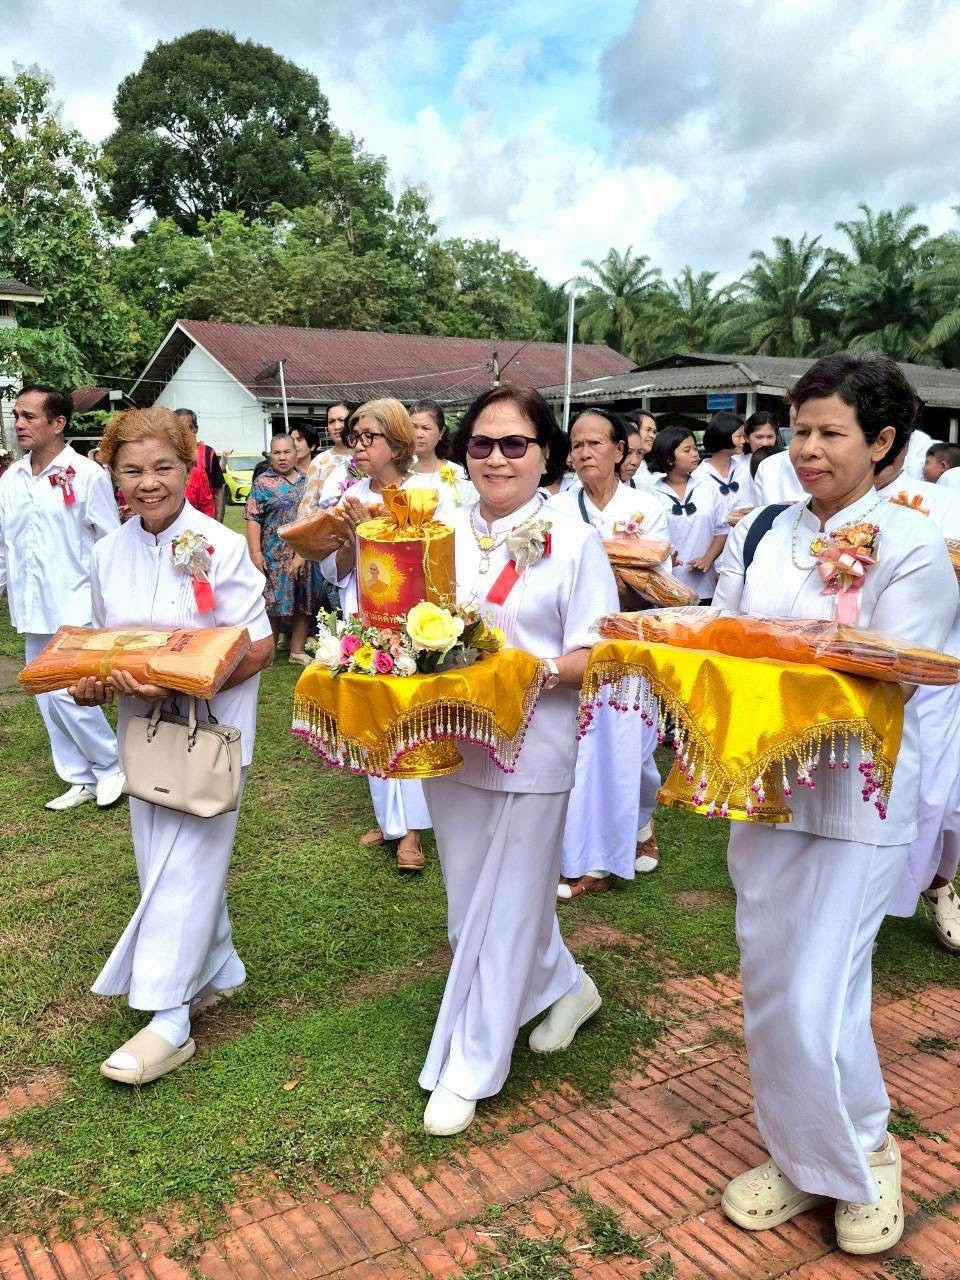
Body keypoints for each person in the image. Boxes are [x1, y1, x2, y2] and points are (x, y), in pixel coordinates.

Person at [713, 352, 955, 1256]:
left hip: (859, 793)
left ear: (883, 442)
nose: (808, 449)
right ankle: (805, 1152)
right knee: (773, 985)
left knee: (820, 990)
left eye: (831, 434)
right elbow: (723, 630)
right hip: (766, 786)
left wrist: (799, 651)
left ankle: (863, 1156)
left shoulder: (911, 542)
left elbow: (905, 669)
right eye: (800, 430)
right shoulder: (764, 529)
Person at [418, 385, 617, 1138]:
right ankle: (567, 986)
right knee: (470, 901)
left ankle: (471, 1063)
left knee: (501, 911)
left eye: (514, 444)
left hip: (535, 744)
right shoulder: (438, 529)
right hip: (451, 739)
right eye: (481, 444)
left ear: (546, 455)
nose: (496, 457)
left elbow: (595, 651)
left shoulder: (574, 537)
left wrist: (524, 672)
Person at [70, 407, 274, 1085]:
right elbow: (106, 647)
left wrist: (185, 682)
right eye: (132, 469)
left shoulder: (221, 544)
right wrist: (97, 685)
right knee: (158, 857)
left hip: (212, 738)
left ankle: (168, 1017)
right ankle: (219, 964)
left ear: (188, 468)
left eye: (162, 467)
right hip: (144, 738)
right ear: (114, 475)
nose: (148, 482)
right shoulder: (106, 553)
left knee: (184, 869)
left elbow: (262, 644)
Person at [547, 408, 668, 897]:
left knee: (634, 752)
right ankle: (590, 857)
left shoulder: (647, 508)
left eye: (595, 443)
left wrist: (608, 580)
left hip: (632, 644)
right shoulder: (556, 510)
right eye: (577, 444)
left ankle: (640, 824)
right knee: (587, 750)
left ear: (621, 451)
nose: (584, 452)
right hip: (578, 644)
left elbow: (656, 589)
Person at [318, 399, 434, 871]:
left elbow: (438, 559)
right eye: (355, 436)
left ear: (399, 441)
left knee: (410, 721)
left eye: (370, 437)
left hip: (417, 621)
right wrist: (349, 538)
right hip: (362, 617)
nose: (359, 446)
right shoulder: (347, 495)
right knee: (373, 719)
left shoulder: (429, 491)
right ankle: (388, 820)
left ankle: (413, 832)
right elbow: (333, 572)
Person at [0, 384, 124, 811]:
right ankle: (79, 776)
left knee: (68, 692)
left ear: (58, 423)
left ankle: (110, 767)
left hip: (75, 603)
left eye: (29, 417)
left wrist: (109, 605)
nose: (19, 424)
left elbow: (110, 542)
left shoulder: (87, 475)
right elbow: (5, 545)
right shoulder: (11, 479)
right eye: (17, 415)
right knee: (43, 693)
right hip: (31, 605)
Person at [873, 444, 960, 951]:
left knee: (941, 800)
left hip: (940, 668)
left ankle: (937, 880)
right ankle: (867, 907)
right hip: (866, 669)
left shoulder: (941, 498)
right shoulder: (826, 510)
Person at [245, 435, 312, 664]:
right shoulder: (263, 482)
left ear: (296, 453)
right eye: (277, 453)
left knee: (304, 601)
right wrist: (255, 553)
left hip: (303, 552)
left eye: (286, 452)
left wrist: (302, 552)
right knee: (271, 603)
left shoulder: (307, 481)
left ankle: (297, 650)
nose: (282, 457)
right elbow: (253, 517)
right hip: (272, 554)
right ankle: (268, 652)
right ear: (270, 455)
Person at [646, 426, 727, 601]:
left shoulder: (707, 488)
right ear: (669, 457)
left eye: (695, 448)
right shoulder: (652, 494)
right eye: (687, 450)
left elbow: (722, 530)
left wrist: (708, 558)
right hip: (666, 585)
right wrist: (664, 561)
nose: (695, 454)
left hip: (705, 586)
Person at [407, 399, 475, 505]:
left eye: (426, 428)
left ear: (441, 432)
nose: (418, 434)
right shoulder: (396, 472)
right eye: (413, 427)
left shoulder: (459, 475)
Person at [692, 412, 752, 519]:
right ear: (724, 436)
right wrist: (727, 518)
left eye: (743, 436)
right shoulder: (699, 476)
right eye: (739, 436)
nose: (743, 441)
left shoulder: (744, 470)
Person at [172, 409, 226, 522]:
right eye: (179, 429)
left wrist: (218, 523)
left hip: (202, 518)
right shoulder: (167, 454)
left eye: (189, 428)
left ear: (196, 429)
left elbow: (218, 490)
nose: (184, 433)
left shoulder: (208, 453)